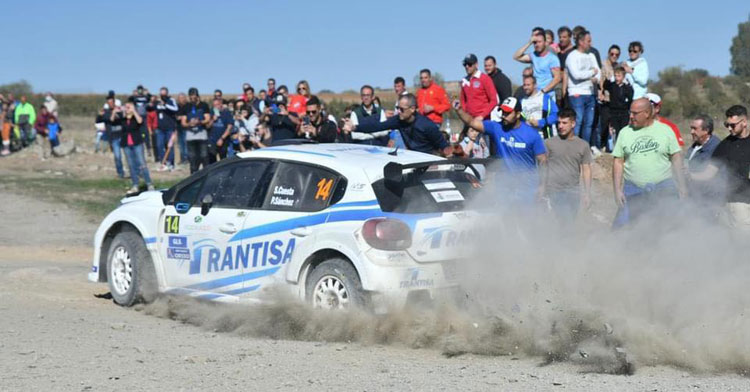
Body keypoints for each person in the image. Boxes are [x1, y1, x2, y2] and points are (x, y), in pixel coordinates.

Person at [453, 96, 547, 201]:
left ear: (518, 114)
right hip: (504, 186)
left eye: (507, 113)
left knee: (526, 216)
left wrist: (542, 186)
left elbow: (543, 161)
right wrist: (459, 110)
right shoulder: (497, 127)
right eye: (502, 112)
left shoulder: (532, 134)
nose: (503, 115)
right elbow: (471, 122)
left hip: (527, 187)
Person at [612, 98, 687, 227]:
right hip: (633, 189)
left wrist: (681, 185)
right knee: (622, 228)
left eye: (635, 113)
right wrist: (617, 190)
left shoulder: (666, 130)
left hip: (663, 187)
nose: (631, 116)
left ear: (646, 113)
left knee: (668, 226)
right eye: (630, 112)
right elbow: (618, 161)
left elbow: (676, 157)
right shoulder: (625, 132)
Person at [691, 105, 750, 229]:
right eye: (726, 124)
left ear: (744, 122)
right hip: (734, 202)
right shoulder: (725, 145)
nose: (729, 128)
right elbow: (709, 173)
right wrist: (689, 175)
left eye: (732, 125)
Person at [344, 93, 452, 156]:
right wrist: (354, 127)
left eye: (402, 109)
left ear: (413, 109)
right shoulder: (398, 120)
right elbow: (377, 126)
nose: (398, 111)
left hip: (429, 160)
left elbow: (444, 146)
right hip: (413, 158)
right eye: (397, 108)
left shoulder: (427, 125)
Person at [543, 109, 592, 221]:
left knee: (569, 223)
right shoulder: (548, 143)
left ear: (573, 124)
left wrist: (587, 194)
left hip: (573, 191)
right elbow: (542, 167)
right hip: (553, 191)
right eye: (559, 123)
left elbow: (586, 169)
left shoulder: (583, 145)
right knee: (557, 223)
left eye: (564, 123)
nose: (560, 126)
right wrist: (542, 188)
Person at [565, 30, 600, 148]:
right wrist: (591, 73)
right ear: (580, 41)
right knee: (577, 121)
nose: (591, 43)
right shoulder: (572, 56)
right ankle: (572, 147)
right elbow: (576, 75)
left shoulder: (591, 55)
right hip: (576, 94)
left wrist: (596, 77)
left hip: (590, 93)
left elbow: (598, 72)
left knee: (589, 123)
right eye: (588, 41)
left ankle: (584, 148)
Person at [111, 102, 154, 194]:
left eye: (129, 107)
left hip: (137, 143)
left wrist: (133, 111)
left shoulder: (136, 117)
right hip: (126, 144)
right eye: (126, 107)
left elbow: (140, 121)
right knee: (131, 165)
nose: (127, 108)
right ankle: (135, 185)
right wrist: (114, 112)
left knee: (142, 163)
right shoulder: (122, 118)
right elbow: (112, 120)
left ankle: (149, 183)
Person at [513, 27, 561, 99]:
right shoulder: (533, 56)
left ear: (545, 42)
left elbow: (557, 78)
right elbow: (516, 56)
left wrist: (543, 91)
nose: (537, 44)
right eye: (535, 42)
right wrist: (529, 43)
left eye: (539, 42)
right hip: (534, 94)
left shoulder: (552, 58)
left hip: (547, 95)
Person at [178, 87, 210, 174]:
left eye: (194, 96)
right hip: (190, 136)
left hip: (202, 135)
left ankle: (206, 174)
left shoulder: (204, 105)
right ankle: (193, 175)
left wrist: (200, 122)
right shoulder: (186, 107)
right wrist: (190, 124)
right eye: (190, 96)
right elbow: (183, 122)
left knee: (204, 156)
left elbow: (207, 118)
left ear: (197, 96)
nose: (192, 98)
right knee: (192, 158)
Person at [602, 66, 634, 147]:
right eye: (615, 75)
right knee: (616, 130)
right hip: (614, 111)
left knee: (623, 129)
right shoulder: (612, 86)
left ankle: (624, 145)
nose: (617, 78)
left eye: (619, 76)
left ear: (623, 77)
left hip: (623, 111)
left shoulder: (626, 87)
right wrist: (609, 79)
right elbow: (605, 86)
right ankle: (616, 146)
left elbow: (630, 96)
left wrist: (628, 85)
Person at [599, 46, 623, 150]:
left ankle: (614, 146)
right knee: (604, 123)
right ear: (608, 53)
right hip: (605, 98)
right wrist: (601, 93)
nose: (614, 56)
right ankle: (601, 144)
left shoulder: (618, 66)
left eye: (616, 54)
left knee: (615, 125)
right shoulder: (603, 64)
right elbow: (601, 80)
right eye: (612, 54)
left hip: (615, 100)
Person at [460, 54, 498, 120]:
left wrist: (482, 116)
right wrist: (465, 114)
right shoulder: (464, 80)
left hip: (483, 120)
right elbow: (463, 100)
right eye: (465, 64)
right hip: (469, 120)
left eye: (469, 64)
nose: (467, 66)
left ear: (476, 65)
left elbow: (494, 100)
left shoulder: (485, 78)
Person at [520, 75, 558, 139]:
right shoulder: (522, 101)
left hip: (546, 137)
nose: (526, 87)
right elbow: (520, 120)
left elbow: (556, 115)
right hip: (529, 137)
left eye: (528, 85)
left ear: (535, 85)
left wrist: (540, 122)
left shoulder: (545, 98)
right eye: (524, 85)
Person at [153, 87, 179, 171]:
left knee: (170, 146)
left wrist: (165, 105)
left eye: (164, 94)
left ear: (167, 93)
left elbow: (176, 109)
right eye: (161, 94)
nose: (162, 95)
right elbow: (152, 109)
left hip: (170, 128)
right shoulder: (158, 102)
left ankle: (171, 164)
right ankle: (163, 162)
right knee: (159, 145)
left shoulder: (171, 100)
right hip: (160, 128)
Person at [103, 93, 125, 178]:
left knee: (129, 156)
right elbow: (111, 119)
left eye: (112, 102)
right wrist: (114, 112)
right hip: (114, 138)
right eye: (109, 102)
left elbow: (123, 117)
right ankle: (120, 173)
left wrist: (121, 110)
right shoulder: (106, 112)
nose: (110, 104)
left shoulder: (119, 110)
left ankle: (137, 172)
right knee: (117, 157)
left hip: (123, 136)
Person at [207, 97, 234, 163]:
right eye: (214, 105)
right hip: (212, 140)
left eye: (217, 104)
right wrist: (213, 119)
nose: (216, 107)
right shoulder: (211, 112)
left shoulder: (227, 113)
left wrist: (222, 138)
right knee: (212, 161)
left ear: (221, 104)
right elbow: (207, 126)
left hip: (223, 140)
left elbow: (229, 128)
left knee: (223, 160)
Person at [128, 85, 152, 157]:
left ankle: (148, 148)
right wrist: (133, 94)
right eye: (138, 90)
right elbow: (129, 99)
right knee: (136, 132)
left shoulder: (145, 97)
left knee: (145, 133)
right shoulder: (135, 97)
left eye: (141, 90)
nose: (140, 91)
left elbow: (150, 98)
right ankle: (137, 148)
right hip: (136, 117)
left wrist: (148, 93)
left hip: (144, 117)